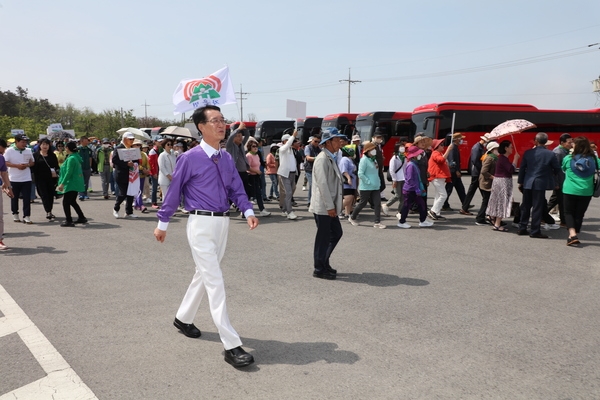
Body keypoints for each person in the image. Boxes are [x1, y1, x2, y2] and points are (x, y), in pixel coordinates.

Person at [154, 105, 258, 369]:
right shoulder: (189, 158)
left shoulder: (225, 158)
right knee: (215, 282)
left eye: (223, 120)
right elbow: (174, 191)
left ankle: (183, 317)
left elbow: (236, 188)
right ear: (201, 127)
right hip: (200, 224)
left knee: (203, 275)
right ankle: (231, 345)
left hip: (222, 224)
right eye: (215, 121)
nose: (222, 125)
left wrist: (247, 211)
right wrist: (162, 223)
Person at [309, 128, 346, 280]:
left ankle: (324, 262)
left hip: (329, 206)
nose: (340, 142)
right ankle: (319, 268)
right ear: (328, 142)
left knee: (336, 233)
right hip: (324, 207)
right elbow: (322, 185)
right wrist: (330, 206)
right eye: (336, 140)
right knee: (324, 237)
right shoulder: (322, 159)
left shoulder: (331, 156)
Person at [517, 132, 561, 238]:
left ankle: (522, 227)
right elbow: (557, 169)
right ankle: (535, 230)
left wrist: (520, 181)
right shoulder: (550, 154)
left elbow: (522, 168)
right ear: (546, 142)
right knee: (537, 207)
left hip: (528, 181)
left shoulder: (528, 153)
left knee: (526, 206)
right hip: (540, 183)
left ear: (536, 141)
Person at [561, 136, 600, 246]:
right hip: (586, 191)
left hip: (570, 189)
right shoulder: (594, 159)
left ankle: (572, 235)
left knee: (568, 212)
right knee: (579, 214)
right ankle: (572, 236)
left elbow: (563, 168)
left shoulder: (568, 158)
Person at [348, 142, 386, 229]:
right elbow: (360, 173)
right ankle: (352, 217)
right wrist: (368, 181)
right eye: (372, 150)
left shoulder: (374, 159)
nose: (374, 151)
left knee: (377, 204)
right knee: (362, 203)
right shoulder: (364, 160)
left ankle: (377, 222)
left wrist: (378, 182)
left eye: (375, 149)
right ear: (368, 151)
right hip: (366, 187)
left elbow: (376, 172)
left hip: (376, 186)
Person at [397, 146, 434, 229]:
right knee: (407, 206)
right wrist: (417, 189)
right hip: (410, 189)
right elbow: (410, 179)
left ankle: (423, 220)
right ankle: (402, 222)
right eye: (418, 154)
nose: (420, 155)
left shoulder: (413, 164)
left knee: (421, 204)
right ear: (414, 156)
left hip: (413, 189)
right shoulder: (411, 165)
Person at [486, 140, 519, 231]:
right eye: (510, 147)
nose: (512, 149)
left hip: (499, 181)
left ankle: (492, 217)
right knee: (502, 202)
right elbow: (511, 169)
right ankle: (497, 224)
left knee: (497, 201)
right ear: (506, 148)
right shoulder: (503, 159)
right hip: (503, 181)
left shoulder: (502, 158)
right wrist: (515, 159)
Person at [4, 134, 35, 224]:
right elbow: (5, 162)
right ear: (17, 141)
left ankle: (27, 216)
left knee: (26, 198)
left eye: (25, 142)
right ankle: (15, 214)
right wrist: (16, 166)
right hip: (14, 178)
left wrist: (27, 165)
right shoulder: (9, 150)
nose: (24, 144)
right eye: (22, 142)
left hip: (26, 178)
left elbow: (32, 162)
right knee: (14, 197)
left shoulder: (28, 150)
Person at [56, 141, 87, 227]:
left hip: (71, 183)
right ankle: (81, 217)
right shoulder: (75, 156)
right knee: (72, 201)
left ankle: (69, 220)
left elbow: (69, 172)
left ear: (68, 148)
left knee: (66, 202)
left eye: (65, 147)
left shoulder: (71, 159)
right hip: (76, 182)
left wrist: (62, 183)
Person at [459, 134, 490, 216]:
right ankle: (465, 208)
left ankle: (465, 207)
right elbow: (475, 161)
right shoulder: (477, 148)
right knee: (479, 191)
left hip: (478, 172)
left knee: (474, 191)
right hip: (477, 172)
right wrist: (482, 170)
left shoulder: (480, 147)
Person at [546, 133, 573, 226]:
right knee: (561, 201)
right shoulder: (558, 152)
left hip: (563, 180)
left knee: (556, 200)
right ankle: (563, 221)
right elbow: (554, 169)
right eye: (569, 142)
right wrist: (556, 183)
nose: (571, 144)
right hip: (559, 181)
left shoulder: (565, 151)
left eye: (571, 142)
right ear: (562, 142)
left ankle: (543, 215)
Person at [112, 132, 140, 219]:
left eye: (132, 139)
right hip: (121, 174)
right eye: (130, 139)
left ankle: (129, 212)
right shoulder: (118, 148)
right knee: (123, 193)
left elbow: (137, 160)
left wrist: (134, 163)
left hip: (131, 174)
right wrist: (126, 164)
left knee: (130, 193)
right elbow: (114, 160)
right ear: (124, 139)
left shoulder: (132, 149)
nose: (132, 141)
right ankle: (116, 208)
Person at [32, 138, 60, 221]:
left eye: (47, 144)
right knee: (43, 195)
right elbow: (33, 167)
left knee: (50, 195)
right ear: (40, 145)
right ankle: (48, 210)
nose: (45, 146)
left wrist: (56, 172)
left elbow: (56, 166)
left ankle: (49, 211)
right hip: (40, 179)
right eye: (43, 144)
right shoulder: (35, 155)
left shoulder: (52, 155)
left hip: (51, 179)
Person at [427, 138, 452, 221]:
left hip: (439, 178)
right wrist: (448, 150)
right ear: (436, 146)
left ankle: (436, 213)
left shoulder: (439, 153)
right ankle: (433, 211)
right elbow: (441, 160)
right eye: (441, 144)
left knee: (438, 196)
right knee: (443, 195)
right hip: (436, 177)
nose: (443, 146)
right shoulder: (435, 153)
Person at [245, 140, 271, 217]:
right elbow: (247, 167)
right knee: (250, 194)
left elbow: (259, 163)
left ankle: (261, 209)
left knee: (257, 193)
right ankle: (245, 210)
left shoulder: (256, 155)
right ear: (249, 147)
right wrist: (256, 171)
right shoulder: (248, 155)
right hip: (250, 176)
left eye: (256, 146)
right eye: (253, 146)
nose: (255, 148)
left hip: (256, 176)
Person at [476, 141, 499, 226]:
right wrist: (492, 177)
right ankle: (480, 218)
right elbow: (484, 171)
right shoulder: (490, 158)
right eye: (497, 149)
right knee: (486, 201)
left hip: (487, 183)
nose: (498, 150)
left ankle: (486, 217)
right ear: (493, 149)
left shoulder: (494, 157)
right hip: (486, 183)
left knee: (488, 201)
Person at [277, 128, 298, 220]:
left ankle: (285, 209)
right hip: (285, 174)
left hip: (293, 173)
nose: (291, 141)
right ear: (284, 141)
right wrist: (293, 135)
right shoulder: (282, 149)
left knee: (291, 191)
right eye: (288, 140)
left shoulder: (291, 150)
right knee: (288, 192)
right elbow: (288, 144)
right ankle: (289, 211)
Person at [443, 133, 467, 211]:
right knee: (449, 189)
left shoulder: (455, 147)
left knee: (460, 188)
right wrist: (456, 170)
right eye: (460, 139)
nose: (461, 140)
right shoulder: (453, 148)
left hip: (455, 171)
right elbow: (452, 160)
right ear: (457, 139)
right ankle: (444, 204)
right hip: (453, 171)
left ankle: (465, 203)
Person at [383, 141, 406, 218]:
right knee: (397, 195)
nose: (403, 148)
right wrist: (394, 180)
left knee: (403, 197)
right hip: (397, 179)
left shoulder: (404, 157)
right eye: (401, 147)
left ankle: (399, 212)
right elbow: (392, 170)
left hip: (403, 178)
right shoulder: (394, 158)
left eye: (403, 146)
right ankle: (386, 205)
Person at [0, 139, 14, 250]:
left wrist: (8, 186)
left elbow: (4, 173)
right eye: (3, 148)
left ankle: (0, 240)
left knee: (0, 216)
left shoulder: (1, 158)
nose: (4, 150)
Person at [338, 146, 357, 218]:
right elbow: (344, 171)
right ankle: (338, 211)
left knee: (351, 198)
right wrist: (348, 178)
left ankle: (347, 213)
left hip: (352, 182)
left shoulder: (350, 159)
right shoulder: (344, 159)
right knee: (348, 198)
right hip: (346, 182)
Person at [132, 139, 150, 214]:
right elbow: (134, 164)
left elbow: (147, 163)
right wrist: (142, 169)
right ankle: (141, 205)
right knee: (138, 191)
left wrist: (147, 170)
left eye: (139, 145)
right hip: (135, 175)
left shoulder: (143, 154)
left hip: (143, 175)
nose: (138, 146)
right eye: (136, 145)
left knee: (140, 190)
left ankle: (137, 204)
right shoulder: (131, 154)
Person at [303, 135, 321, 205]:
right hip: (309, 169)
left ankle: (312, 200)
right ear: (312, 140)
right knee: (312, 184)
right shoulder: (308, 147)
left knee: (315, 185)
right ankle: (309, 201)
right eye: (315, 141)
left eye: (318, 142)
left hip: (316, 168)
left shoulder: (318, 148)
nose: (317, 143)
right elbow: (308, 158)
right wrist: (318, 158)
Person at [158, 139, 177, 203]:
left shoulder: (173, 154)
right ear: (164, 145)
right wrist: (168, 176)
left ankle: (170, 209)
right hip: (165, 178)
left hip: (173, 177)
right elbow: (162, 167)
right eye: (168, 144)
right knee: (166, 195)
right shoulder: (162, 155)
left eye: (171, 144)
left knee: (171, 195)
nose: (170, 146)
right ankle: (165, 210)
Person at [77, 136, 93, 200]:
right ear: (81, 141)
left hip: (87, 168)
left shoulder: (89, 150)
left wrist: (90, 166)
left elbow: (90, 158)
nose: (87, 142)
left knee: (86, 182)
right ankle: (81, 194)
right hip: (80, 168)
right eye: (85, 141)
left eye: (87, 141)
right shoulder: (77, 149)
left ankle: (85, 194)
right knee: (80, 181)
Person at [148, 139, 162, 208]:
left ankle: (155, 201)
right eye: (159, 142)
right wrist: (154, 173)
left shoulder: (157, 150)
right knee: (154, 188)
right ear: (155, 142)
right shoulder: (152, 151)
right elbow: (151, 164)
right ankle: (154, 202)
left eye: (161, 142)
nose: (160, 143)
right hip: (154, 172)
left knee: (156, 187)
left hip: (158, 171)